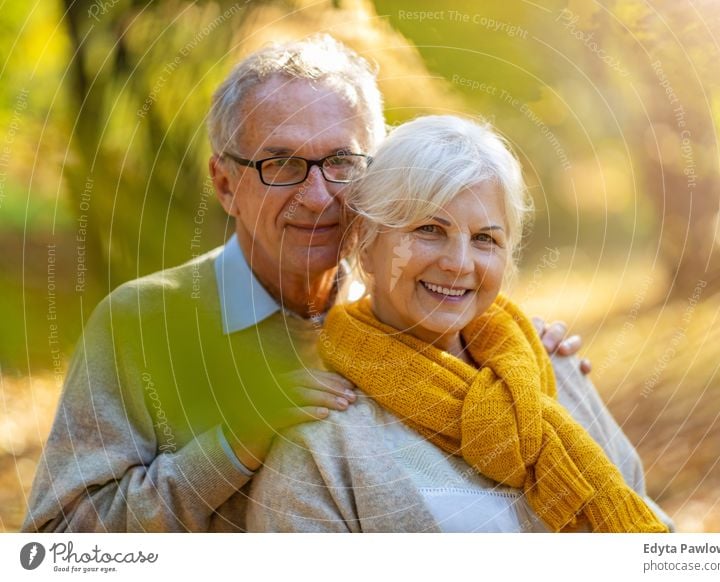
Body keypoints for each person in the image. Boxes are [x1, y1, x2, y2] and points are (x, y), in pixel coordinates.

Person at [22, 36, 584, 533]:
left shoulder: (404, 308)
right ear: (225, 184)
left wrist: (528, 362)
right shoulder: (141, 326)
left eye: (341, 161)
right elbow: (57, 545)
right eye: (282, 165)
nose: (318, 198)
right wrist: (234, 442)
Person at [247, 115, 673, 533]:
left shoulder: (550, 364)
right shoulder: (318, 439)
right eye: (429, 229)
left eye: (485, 238)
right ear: (366, 244)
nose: (458, 263)